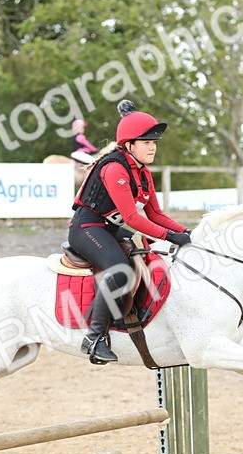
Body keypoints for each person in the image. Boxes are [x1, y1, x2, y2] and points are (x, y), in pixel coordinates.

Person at [68, 100, 191, 365]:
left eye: (154, 142)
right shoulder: (115, 168)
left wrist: (187, 232)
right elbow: (133, 218)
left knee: (148, 256)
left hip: (109, 229)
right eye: (146, 142)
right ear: (129, 145)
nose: (152, 147)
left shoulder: (143, 173)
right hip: (86, 228)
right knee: (120, 270)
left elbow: (156, 215)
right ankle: (94, 338)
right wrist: (170, 237)